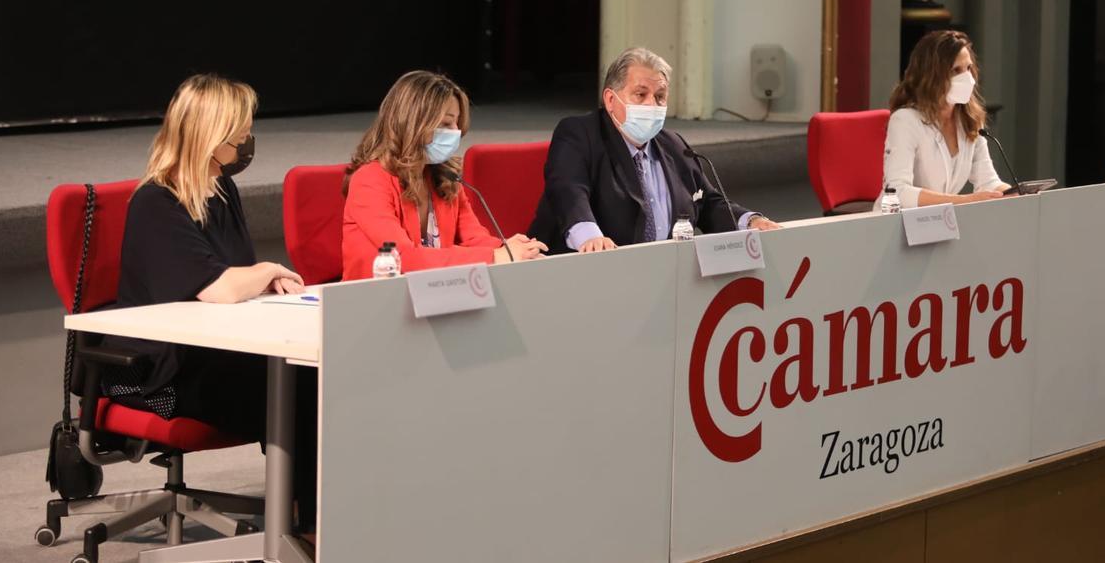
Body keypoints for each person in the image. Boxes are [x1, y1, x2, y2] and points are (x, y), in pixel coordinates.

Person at [103, 73, 317, 536]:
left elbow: (233, 277)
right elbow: (217, 287)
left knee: (313, 379)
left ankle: (309, 510)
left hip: (219, 352)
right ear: (210, 134)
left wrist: (263, 281)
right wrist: (267, 271)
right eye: (239, 132)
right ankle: (309, 529)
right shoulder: (158, 201)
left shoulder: (220, 191)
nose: (246, 140)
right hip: (167, 370)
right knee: (300, 390)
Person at [528, 47, 781, 253]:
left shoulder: (674, 145)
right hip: (584, 277)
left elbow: (709, 204)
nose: (652, 104)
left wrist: (749, 221)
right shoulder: (580, 134)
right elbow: (569, 191)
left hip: (666, 278)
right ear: (610, 100)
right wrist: (590, 239)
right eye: (641, 94)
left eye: (660, 97)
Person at [342, 70, 546, 279]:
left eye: (457, 123)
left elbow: (475, 238)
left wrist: (513, 249)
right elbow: (404, 257)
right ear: (414, 124)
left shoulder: (445, 176)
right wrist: (496, 255)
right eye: (447, 123)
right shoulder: (369, 181)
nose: (456, 131)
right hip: (375, 301)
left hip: (436, 294)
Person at [878, 30, 1011, 209]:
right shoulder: (905, 120)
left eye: (969, 68)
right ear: (931, 75)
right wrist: (966, 201)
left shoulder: (969, 120)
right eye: (956, 70)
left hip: (940, 223)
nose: (968, 78)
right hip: (897, 226)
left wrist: (1018, 194)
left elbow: (988, 181)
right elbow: (897, 191)